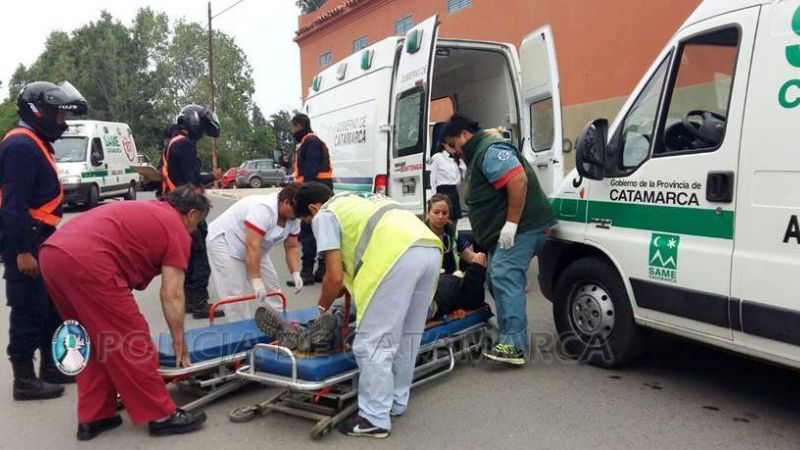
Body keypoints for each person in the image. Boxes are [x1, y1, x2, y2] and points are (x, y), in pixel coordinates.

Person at [39, 185, 210, 440]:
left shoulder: (149, 210)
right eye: (197, 223)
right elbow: (172, 294)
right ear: (192, 213)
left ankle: (96, 416)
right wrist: (179, 340)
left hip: (52, 254)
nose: (194, 230)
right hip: (89, 261)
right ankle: (161, 415)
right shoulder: (176, 229)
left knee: (96, 342)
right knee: (131, 339)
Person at [441, 114, 556, 366]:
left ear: (464, 135)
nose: (452, 152)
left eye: (452, 144)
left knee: (503, 275)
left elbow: (517, 179)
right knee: (496, 278)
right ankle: (509, 338)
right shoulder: (478, 153)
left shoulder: (488, 151)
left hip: (525, 227)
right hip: (511, 230)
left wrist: (511, 224)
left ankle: (514, 346)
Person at [0, 81, 88, 401]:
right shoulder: (21, 145)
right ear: (40, 113)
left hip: (42, 237)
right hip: (27, 241)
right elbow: (12, 205)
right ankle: (24, 379)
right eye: (59, 116)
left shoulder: (35, 141)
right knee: (28, 310)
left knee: (50, 308)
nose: (62, 123)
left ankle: (52, 369)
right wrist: (22, 251)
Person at [161, 104, 224, 319]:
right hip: (189, 208)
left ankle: (189, 300)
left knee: (187, 254)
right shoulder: (185, 145)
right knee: (198, 255)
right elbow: (192, 178)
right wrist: (213, 176)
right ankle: (199, 302)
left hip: (178, 205)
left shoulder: (172, 143)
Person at [206, 183, 304, 322]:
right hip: (225, 241)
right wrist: (256, 281)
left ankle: (279, 324)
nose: (297, 217)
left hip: (257, 246)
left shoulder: (294, 216)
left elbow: (292, 247)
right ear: (286, 202)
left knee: (272, 287)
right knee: (235, 293)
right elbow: (252, 246)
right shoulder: (263, 209)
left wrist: (295, 273)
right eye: (296, 213)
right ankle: (241, 333)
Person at [423, 194, 488, 319]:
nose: (441, 216)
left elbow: (469, 256)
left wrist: (479, 259)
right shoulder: (420, 235)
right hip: (433, 287)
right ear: (428, 213)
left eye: (444, 213)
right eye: (436, 212)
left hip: (452, 283)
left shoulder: (451, 233)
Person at [290, 113, 333, 286]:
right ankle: (321, 270)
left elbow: (310, 171)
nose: (293, 131)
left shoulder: (311, 142)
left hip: (314, 195)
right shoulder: (309, 142)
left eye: (293, 128)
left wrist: (303, 194)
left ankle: (308, 272)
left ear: (299, 126)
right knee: (321, 232)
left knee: (308, 232)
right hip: (319, 193)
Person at [429, 143, 467, 221]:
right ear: (444, 144)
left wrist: (462, 165)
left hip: (453, 191)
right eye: (451, 144)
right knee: (442, 219)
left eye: (454, 145)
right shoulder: (437, 157)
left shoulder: (456, 159)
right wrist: (433, 197)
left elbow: (464, 177)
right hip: (442, 191)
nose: (453, 147)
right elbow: (432, 178)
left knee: (454, 219)